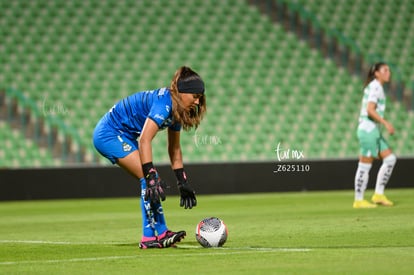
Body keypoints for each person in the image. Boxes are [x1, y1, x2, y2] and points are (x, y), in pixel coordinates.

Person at [93, 66, 206, 248]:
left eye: (200, 97)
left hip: (124, 135)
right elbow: (145, 139)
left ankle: (161, 233)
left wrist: (181, 180)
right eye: (195, 96)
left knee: (151, 180)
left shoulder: (176, 109)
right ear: (182, 92)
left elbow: (174, 148)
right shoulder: (165, 103)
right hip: (109, 134)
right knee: (149, 180)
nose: (198, 102)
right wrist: (150, 174)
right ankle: (149, 238)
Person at [353, 62, 396, 208]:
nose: (388, 73)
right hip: (368, 129)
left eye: (389, 70)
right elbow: (370, 109)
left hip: (373, 131)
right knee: (365, 164)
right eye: (385, 70)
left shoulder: (377, 87)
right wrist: (385, 123)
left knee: (390, 159)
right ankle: (359, 200)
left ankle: (378, 194)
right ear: (376, 73)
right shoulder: (376, 86)